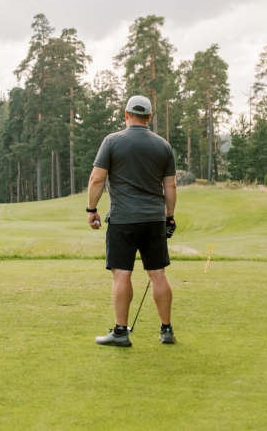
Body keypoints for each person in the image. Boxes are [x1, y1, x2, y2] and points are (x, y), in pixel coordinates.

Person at [86, 95, 178, 347]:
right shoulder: (163, 146)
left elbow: (96, 179)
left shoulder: (112, 141)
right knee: (157, 273)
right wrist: (169, 217)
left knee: (122, 275)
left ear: (126, 114)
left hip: (123, 220)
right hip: (154, 219)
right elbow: (170, 185)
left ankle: (120, 332)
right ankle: (166, 330)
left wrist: (91, 209)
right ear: (149, 117)